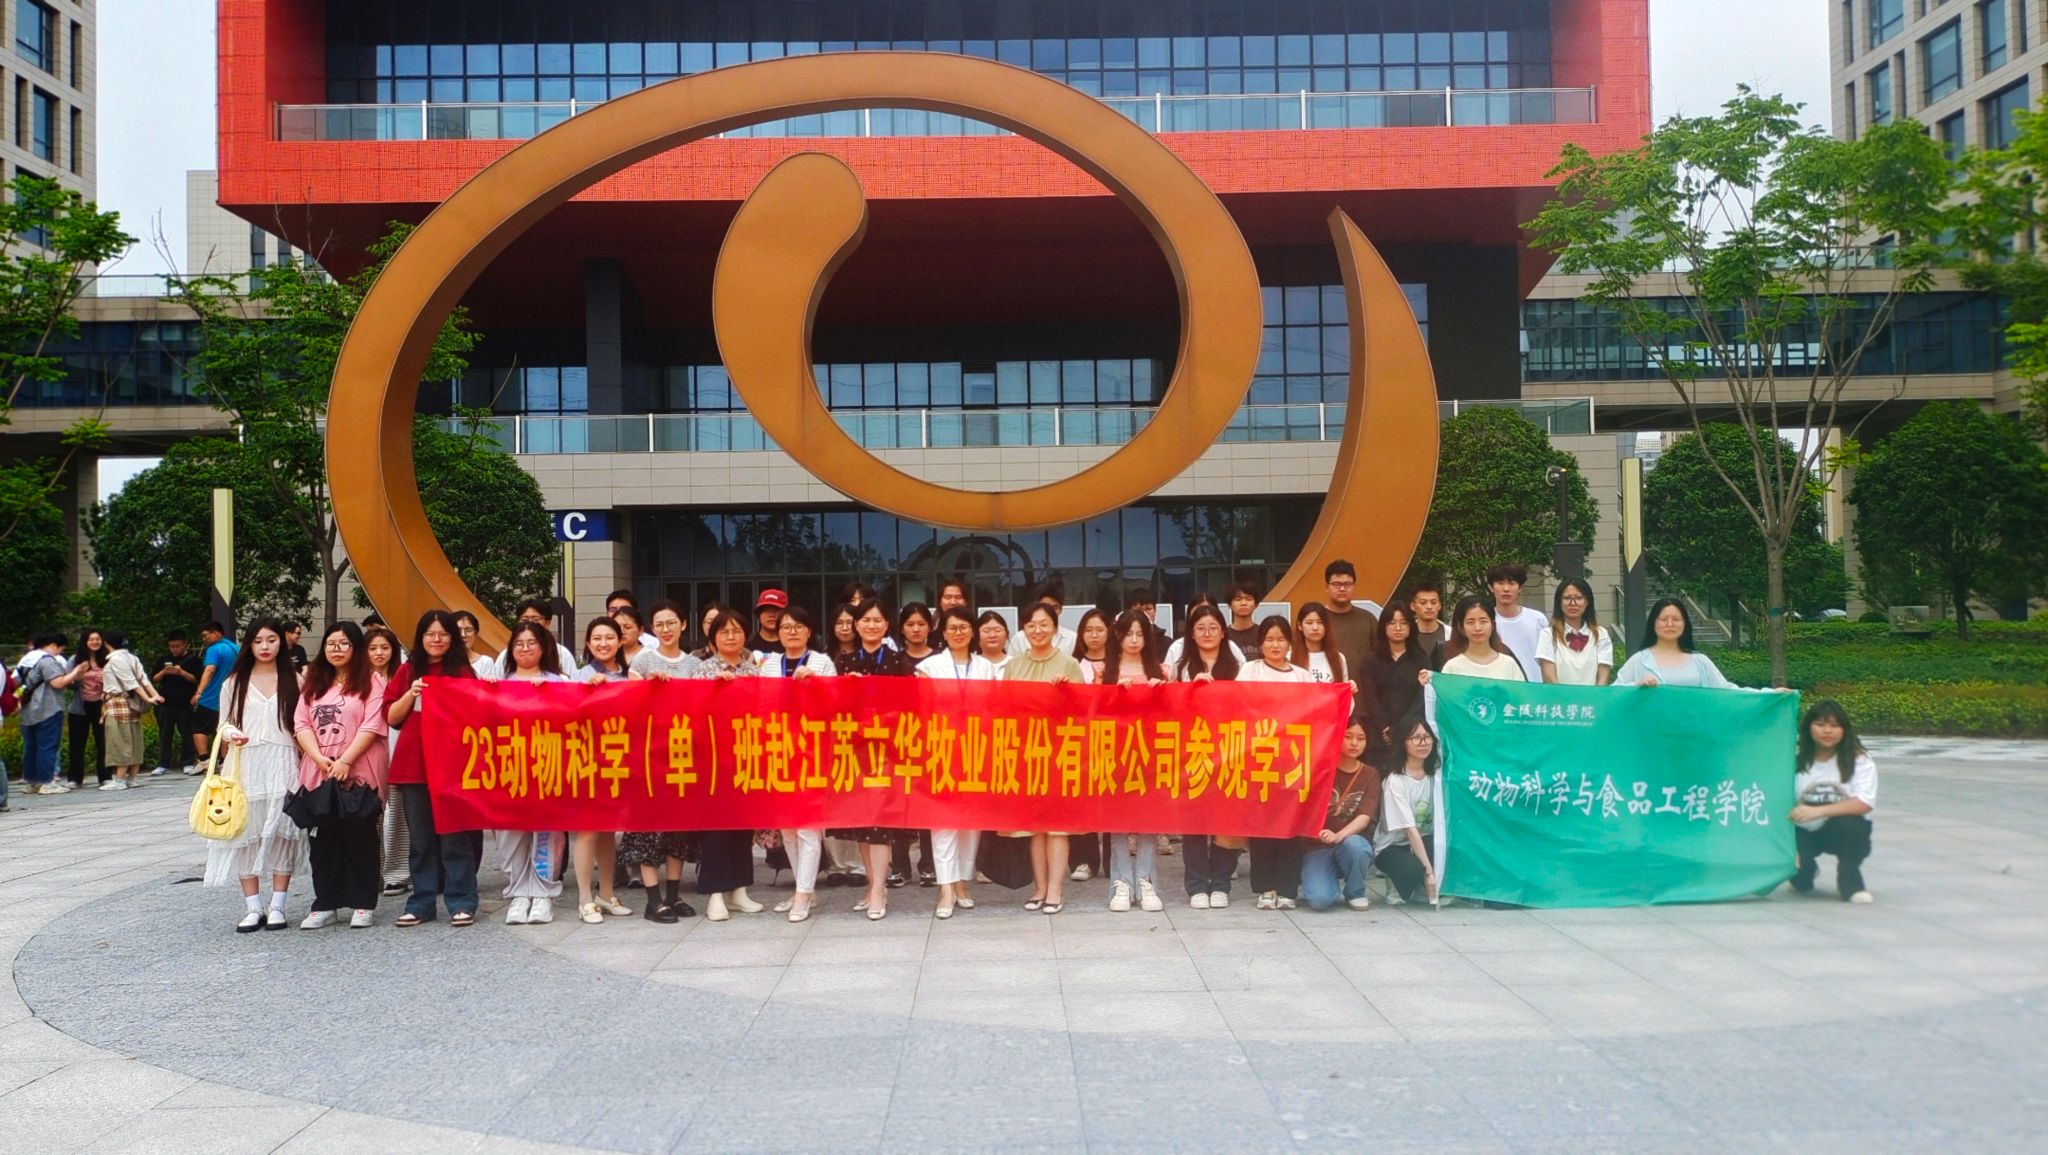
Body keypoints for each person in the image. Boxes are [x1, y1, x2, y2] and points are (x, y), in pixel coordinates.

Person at [384, 610, 483, 927]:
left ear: (452, 638)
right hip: (414, 766)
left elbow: (478, 713)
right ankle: (421, 903)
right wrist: (411, 693)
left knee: (455, 836)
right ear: (420, 637)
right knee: (421, 839)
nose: (436, 640)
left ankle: (462, 901)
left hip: (453, 767)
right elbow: (391, 717)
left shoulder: (462, 671)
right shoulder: (408, 670)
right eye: (430, 634)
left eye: (443, 634)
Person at [208, 618, 306, 932]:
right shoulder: (234, 682)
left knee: (281, 833)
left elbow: (303, 724)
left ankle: (278, 905)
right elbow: (223, 724)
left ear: (281, 643)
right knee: (245, 833)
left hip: (283, 760)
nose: (265, 647)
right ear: (249, 644)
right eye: (258, 641)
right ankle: (253, 906)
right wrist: (232, 734)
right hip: (245, 763)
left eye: (271, 640)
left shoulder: (295, 680)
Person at [293, 622, 392, 929]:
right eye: (331, 644)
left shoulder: (372, 680)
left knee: (360, 835)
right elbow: (301, 724)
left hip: (360, 768)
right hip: (320, 769)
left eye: (344, 643)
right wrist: (319, 758)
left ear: (356, 647)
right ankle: (325, 903)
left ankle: (363, 903)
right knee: (323, 839)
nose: (336, 649)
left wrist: (346, 760)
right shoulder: (314, 682)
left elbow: (373, 724)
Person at [833, 600, 917, 919]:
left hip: (887, 752)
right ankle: (871, 884)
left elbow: (911, 705)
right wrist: (848, 690)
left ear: (886, 626)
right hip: (856, 753)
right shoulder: (845, 661)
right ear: (856, 625)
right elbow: (834, 707)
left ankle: (880, 889)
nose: (871, 625)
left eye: (877, 620)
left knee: (880, 823)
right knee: (862, 823)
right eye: (865, 620)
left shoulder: (898, 660)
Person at [486, 620, 572, 926]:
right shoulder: (499, 682)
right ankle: (519, 892)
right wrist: (488, 693)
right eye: (519, 644)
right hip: (509, 769)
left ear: (543, 647)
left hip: (548, 767)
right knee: (510, 833)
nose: (525, 649)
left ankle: (543, 893)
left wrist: (551, 695)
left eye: (531, 643)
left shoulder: (559, 681)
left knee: (546, 832)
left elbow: (573, 720)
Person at [915, 606, 998, 919]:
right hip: (941, 749)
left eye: (964, 627)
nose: (958, 633)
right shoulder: (929, 666)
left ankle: (961, 881)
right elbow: (922, 709)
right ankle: (946, 887)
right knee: (943, 821)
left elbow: (994, 708)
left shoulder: (986, 668)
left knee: (970, 822)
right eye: (952, 628)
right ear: (944, 632)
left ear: (972, 631)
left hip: (976, 750)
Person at [1004, 601, 1086, 915]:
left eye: (1044, 624)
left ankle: (1055, 890)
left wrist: (1066, 692)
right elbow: (1004, 709)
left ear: (1055, 627)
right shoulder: (1014, 665)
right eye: (1031, 625)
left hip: (1059, 753)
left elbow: (1083, 712)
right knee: (1034, 827)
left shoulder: (1069, 664)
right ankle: (1039, 888)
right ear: (1023, 629)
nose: (1037, 630)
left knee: (1057, 827)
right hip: (1027, 753)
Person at [688, 609, 769, 922]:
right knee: (717, 827)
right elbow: (693, 712)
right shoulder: (703, 670)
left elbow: (764, 710)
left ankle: (739, 890)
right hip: (713, 758)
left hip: (746, 755)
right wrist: (715, 690)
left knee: (742, 824)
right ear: (713, 638)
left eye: (736, 631)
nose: (731, 636)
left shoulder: (753, 671)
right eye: (724, 632)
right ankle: (715, 893)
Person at [623, 601, 700, 922]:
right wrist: (648, 688)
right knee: (648, 830)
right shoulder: (643, 660)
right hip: (649, 758)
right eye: (659, 624)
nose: (666, 630)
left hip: (682, 756)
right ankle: (652, 900)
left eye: (671, 623)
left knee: (677, 830)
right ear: (652, 629)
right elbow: (630, 705)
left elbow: (703, 707)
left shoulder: (694, 664)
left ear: (683, 624)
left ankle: (673, 895)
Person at [1236, 616, 1314, 911]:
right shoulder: (1250, 670)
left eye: (1281, 639)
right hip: (1260, 759)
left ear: (1290, 643)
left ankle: (1288, 888)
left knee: (1290, 824)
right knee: (1262, 825)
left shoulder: (1302, 676)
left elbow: (1319, 710)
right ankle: (1265, 887)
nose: (1275, 645)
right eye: (1269, 639)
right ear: (1260, 644)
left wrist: (1347, 691)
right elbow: (1237, 706)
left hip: (1293, 760)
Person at [766, 606, 837, 922]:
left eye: (798, 626)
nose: (791, 631)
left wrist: (816, 683)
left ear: (809, 632)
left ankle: (804, 895)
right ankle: (802, 888)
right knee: (788, 830)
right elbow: (760, 704)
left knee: (809, 828)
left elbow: (836, 703)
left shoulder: (822, 662)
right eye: (785, 627)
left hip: (813, 754)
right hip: (779, 751)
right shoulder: (769, 665)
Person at [1174, 603, 1242, 909]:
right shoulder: (1181, 666)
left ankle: (1222, 882)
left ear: (1223, 632)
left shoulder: (1237, 664)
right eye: (1200, 628)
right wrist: (1191, 689)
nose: (1207, 633)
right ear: (1191, 633)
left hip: (1229, 750)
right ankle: (1197, 884)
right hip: (1192, 751)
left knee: (1227, 819)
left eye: (1213, 627)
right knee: (1195, 821)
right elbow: (1169, 705)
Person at [1100, 609, 1167, 913]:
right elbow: (1094, 712)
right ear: (1118, 636)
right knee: (1117, 822)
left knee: (1148, 821)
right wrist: (1114, 694)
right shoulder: (1105, 670)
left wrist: (1162, 693)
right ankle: (1122, 882)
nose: (1135, 640)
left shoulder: (1160, 671)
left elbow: (1173, 713)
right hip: (1115, 755)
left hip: (1150, 754)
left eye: (1140, 634)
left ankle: (1146, 880)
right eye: (1129, 634)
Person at [569, 617, 635, 924]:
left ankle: (606, 894)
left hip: (618, 760)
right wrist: (584, 692)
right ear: (588, 643)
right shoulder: (580, 676)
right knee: (587, 830)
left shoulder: (630, 675)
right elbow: (567, 714)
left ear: (620, 641)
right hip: (588, 760)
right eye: (597, 638)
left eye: (609, 637)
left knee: (609, 830)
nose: (603, 643)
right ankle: (585, 899)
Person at [1790, 700, 1878, 904]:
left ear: (1844, 730)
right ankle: (1805, 872)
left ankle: (1851, 884)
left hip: (1837, 829)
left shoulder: (1859, 760)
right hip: (1800, 831)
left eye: (1834, 725)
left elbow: (1864, 802)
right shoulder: (1794, 758)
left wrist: (1818, 811)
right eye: (1820, 724)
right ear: (1808, 727)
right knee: (1800, 883)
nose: (1827, 731)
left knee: (1852, 826)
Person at [1300, 719, 1379, 912]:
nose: (1354, 743)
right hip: (1317, 846)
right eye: (1348, 737)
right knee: (1320, 900)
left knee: (1357, 846)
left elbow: (1364, 817)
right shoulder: (1320, 769)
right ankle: (1326, 878)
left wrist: (1338, 835)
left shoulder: (1370, 774)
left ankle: (1355, 891)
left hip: (1349, 842)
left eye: (1361, 738)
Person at [890, 603, 940, 884]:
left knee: (927, 804)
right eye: (910, 624)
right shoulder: (894, 660)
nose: (916, 629)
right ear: (902, 629)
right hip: (899, 739)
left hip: (931, 738)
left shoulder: (940, 659)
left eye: (921, 623)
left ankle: (929, 864)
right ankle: (899, 866)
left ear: (930, 627)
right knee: (899, 803)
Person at [1375, 713, 1443, 907]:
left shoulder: (1436, 775)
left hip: (1425, 839)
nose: (1423, 743)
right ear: (1403, 743)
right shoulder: (1395, 781)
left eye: (1427, 737)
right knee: (1412, 868)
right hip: (1394, 846)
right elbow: (1410, 830)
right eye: (1416, 738)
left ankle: (1423, 889)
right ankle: (1397, 884)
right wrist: (1429, 872)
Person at [362, 625, 410, 897]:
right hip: (368, 754)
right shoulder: (358, 680)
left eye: (385, 647)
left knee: (398, 816)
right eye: (372, 648)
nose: (379, 653)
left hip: (398, 750)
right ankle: (373, 872)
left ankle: (397, 874)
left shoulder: (402, 677)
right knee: (371, 815)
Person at [97, 631, 165, 791]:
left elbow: (131, 682)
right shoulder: (132, 658)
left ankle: (120, 780)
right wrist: (154, 695)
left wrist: (149, 698)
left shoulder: (116, 659)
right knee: (134, 740)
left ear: (106, 643)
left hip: (117, 704)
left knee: (120, 741)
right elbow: (143, 679)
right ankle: (132, 778)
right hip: (132, 705)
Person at [1362, 604, 1430, 755]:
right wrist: (1384, 727)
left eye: (1403, 623)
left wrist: (1404, 727)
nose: (1398, 628)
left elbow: (1422, 696)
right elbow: (1370, 698)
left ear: (1411, 626)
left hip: (1412, 733)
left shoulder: (1421, 659)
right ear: (1383, 626)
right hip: (1379, 734)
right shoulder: (1371, 660)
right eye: (1392, 623)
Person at [1424, 596, 1527, 683]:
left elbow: (1521, 696)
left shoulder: (1509, 664)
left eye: (1483, 621)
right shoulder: (1452, 666)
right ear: (1461, 627)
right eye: (1470, 622)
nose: (1477, 628)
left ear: (1492, 625)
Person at [53, 627, 109, 789]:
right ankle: (75, 778)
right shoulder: (75, 659)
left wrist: (105, 679)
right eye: (91, 639)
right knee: (77, 743)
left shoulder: (107, 658)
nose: (95, 642)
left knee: (103, 742)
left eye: (97, 639)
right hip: (80, 706)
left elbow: (116, 681)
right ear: (85, 641)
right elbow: (68, 683)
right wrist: (78, 676)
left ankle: (105, 776)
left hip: (101, 705)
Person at [15, 634, 70, 795]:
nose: (60, 653)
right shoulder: (47, 660)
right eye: (61, 649)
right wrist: (75, 674)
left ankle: (32, 782)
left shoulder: (25, 660)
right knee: (47, 746)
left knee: (30, 747)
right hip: (48, 708)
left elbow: (16, 682)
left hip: (27, 709)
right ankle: (47, 782)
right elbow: (57, 683)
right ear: (53, 645)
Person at [1536, 577, 1614, 686]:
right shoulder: (1548, 635)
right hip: (1558, 696)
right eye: (1567, 598)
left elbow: (1603, 678)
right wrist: (1565, 696)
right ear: (1559, 602)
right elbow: (1549, 677)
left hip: (1592, 696)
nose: (1573, 603)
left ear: (1587, 601)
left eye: (1579, 598)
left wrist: (1596, 696)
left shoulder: (1601, 635)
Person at [1320, 560, 1380, 695]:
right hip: (1325, 699)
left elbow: (1380, 660)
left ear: (1354, 586)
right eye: (1336, 584)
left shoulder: (1367, 619)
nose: (1342, 589)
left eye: (1347, 584)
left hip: (1363, 698)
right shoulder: (1317, 620)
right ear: (1327, 587)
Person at [151, 630, 202, 776]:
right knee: (165, 734)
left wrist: (182, 673)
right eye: (171, 646)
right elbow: (154, 678)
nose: (174, 649)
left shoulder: (193, 660)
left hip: (185, 702)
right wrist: (164, 673)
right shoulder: (164, 659)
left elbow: (197, 679)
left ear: (185, 644)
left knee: (187, 733)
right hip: (166, 702)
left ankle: (188, 762)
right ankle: (163, 764)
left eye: (177, 646)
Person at [1486, 564, 1549, 681]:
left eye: (1512, 583)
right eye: (1500, 583)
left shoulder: (1537, 619)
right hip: (1499, 686)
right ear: (1491, 587)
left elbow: (1548, 658)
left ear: (1520, 588)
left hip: (1534, 686)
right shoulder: (1486, 622)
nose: (1506, 589)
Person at [191, 621, 238, 768]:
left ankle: (204, 760)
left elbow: (209, 670)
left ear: (216, 633)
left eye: (206, 635)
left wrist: (199, 692)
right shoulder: (235, 648)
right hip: (231, 697)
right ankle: (224, 761)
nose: (204, 639)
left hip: (211, 697)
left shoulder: (214, 649)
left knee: (199, 729)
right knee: (225, 728)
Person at [1006, 581, 1075, 656]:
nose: (1050, 611)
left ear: (1060, 610)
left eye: (1054, 607)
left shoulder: (1072, 638)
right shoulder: (1019, 639)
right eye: (1045, 607)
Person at [515, 598, 581, 672]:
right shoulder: (508, 653)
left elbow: (571, 678)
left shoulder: (561, 653)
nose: (530, 623)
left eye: (535, 619)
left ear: (547, 622)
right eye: (524, 619)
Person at [1292, 603, 1348, 687]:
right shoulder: (1289, 657)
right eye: (1309, 623)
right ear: (1299, 626)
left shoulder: (1339, 658)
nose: (1315, 628)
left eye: (1320, 622)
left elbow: (1342, 691)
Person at [1409, 582, 1450, 660]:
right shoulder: (1405, 634)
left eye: (1433, 602)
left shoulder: (1451, 634)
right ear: (1412, 606)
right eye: (1423, 603)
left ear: (1439, 605)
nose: (1429, 607)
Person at [1224, 580, 1263, 652]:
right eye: (1238, 599)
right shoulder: (1223, 635)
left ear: (1256, 605)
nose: (1243, 603)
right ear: (1229, 605)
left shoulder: (1263, 633)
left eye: (1249, 599)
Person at [455, 611, 497, 677]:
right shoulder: (443, 661)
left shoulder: (485, 662)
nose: (463, 635)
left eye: (468, 630)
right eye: (458, 631)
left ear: (476, 634)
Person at [752, 589, 788, 656]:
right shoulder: (746, 644)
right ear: (759, 614)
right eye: (767, 610)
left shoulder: (794, 643)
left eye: (776, 610)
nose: (772, 615)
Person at [610, 604, 648, 669]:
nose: (622, 632)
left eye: (627, 627)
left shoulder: (650, 656)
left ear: (641, 630)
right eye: (617, 628)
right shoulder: (608, 655)